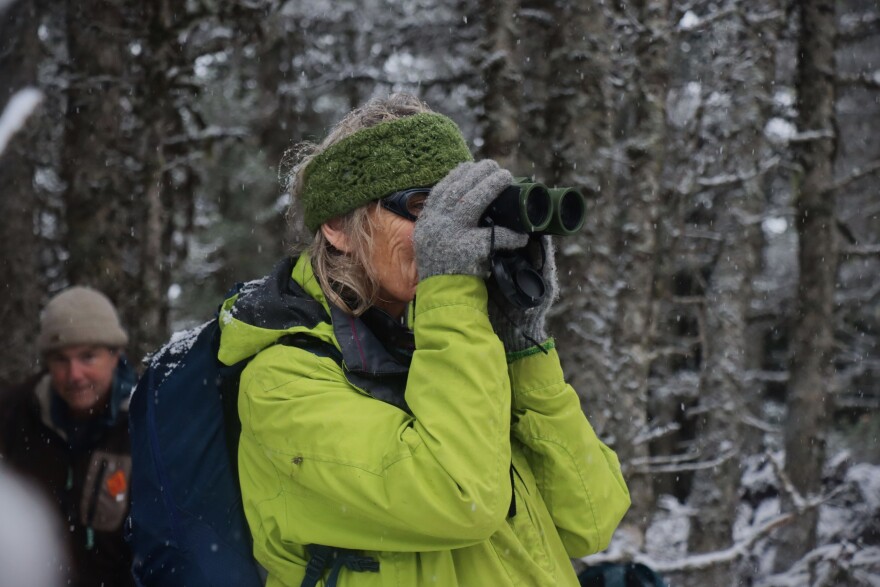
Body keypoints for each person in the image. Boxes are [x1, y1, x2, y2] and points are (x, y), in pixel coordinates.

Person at [218, 93, 630, 586]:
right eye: (421, 207)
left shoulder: (444, 349)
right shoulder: (282, 382)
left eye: (458, 214)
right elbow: (462, 498)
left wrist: (520, 344)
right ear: (337, 228)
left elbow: (590, 518)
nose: (442, 235)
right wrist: (452, 292)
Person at [0, 286, 137, 587]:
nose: (74, 374)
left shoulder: (144, 428)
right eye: (61, 359)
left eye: (88, 356)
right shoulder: (15, 415)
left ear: (116, 355)